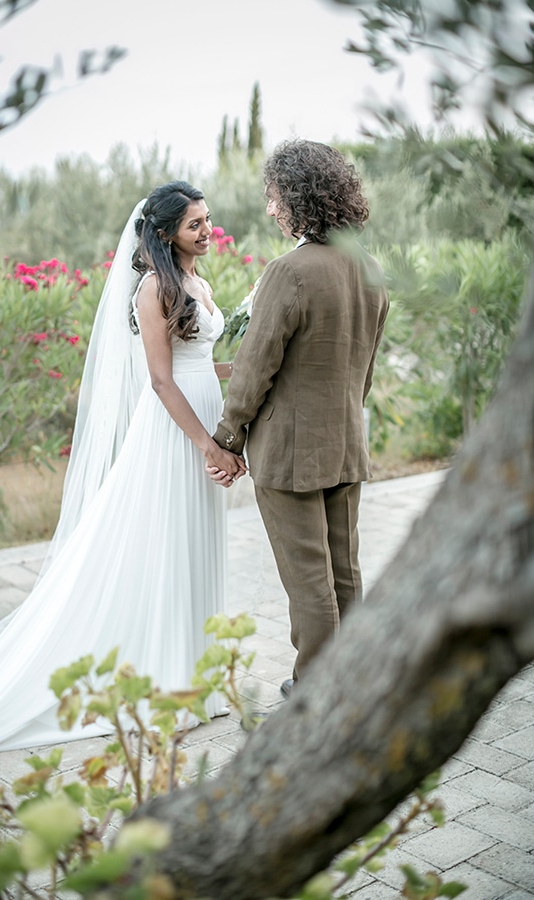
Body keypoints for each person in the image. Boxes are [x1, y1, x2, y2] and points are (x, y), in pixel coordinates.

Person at [0, 181, 244, 757]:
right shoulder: (153, 288)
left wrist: (252, 365)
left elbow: (203, 364)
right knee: (167, 549)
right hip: (174, 432)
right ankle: (163, 690)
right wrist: (207, 444)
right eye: (194, 224)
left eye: (207, 219)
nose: (207, 231)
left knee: (196, 545)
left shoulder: (198, 282)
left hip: (206, 415)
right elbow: (160, 379)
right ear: (164, 232)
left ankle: (197, 680)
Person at [208, 140, 389, 700]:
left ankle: (316, 692)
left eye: (274, 198)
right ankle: (351, 677)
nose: (271, 210)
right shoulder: (370, 268)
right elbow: (365, 368)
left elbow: (255, 369)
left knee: (308, 578)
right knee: (343, 571)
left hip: (289, 452)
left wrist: (226, 436)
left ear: (297, 197)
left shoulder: (290, 271)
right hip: (344, 443)